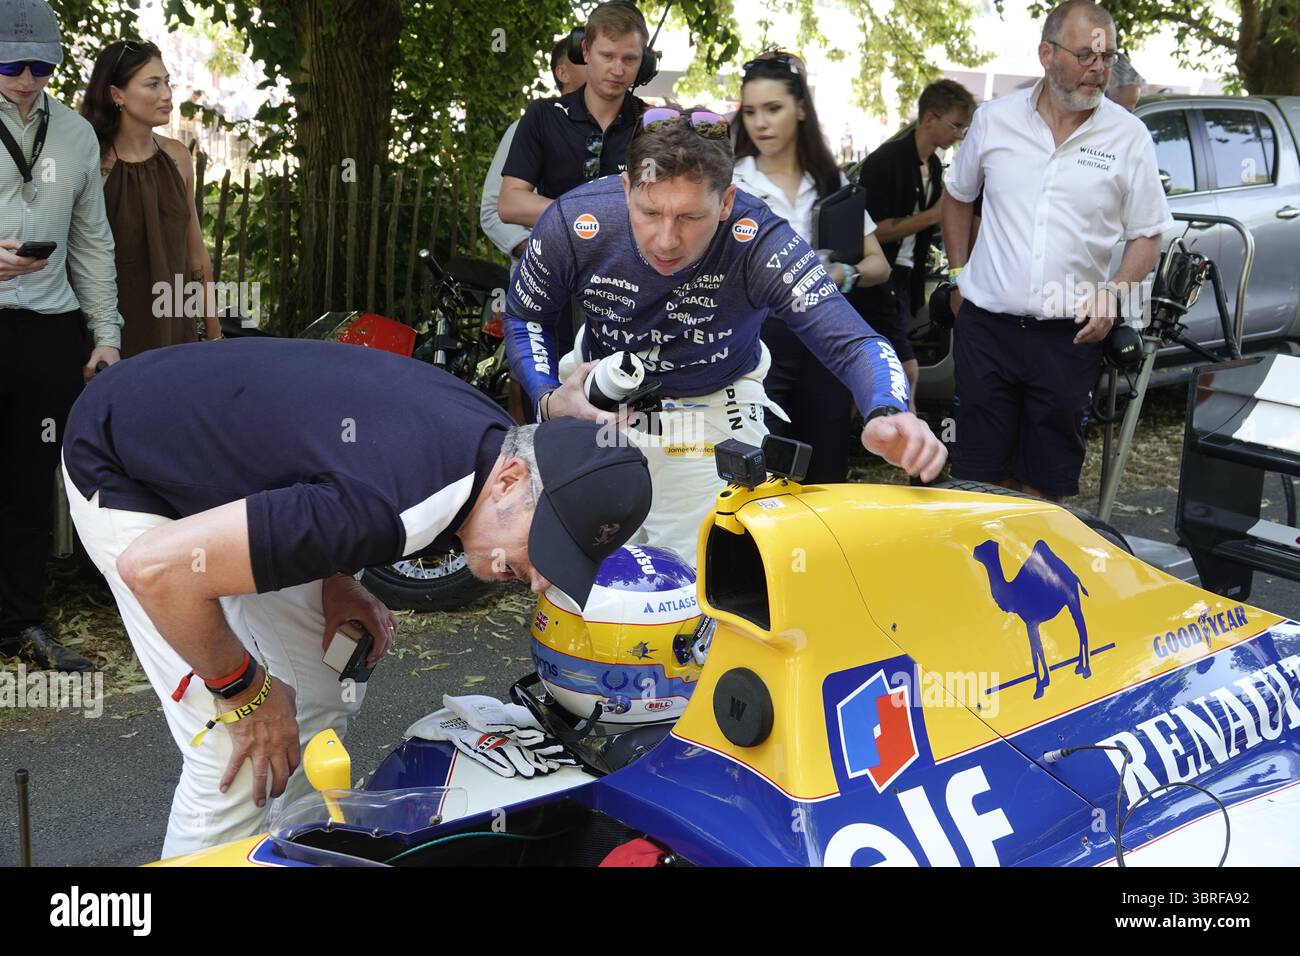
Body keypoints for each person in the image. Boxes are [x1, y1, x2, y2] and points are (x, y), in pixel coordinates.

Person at [62, 337, 651, 855]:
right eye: (543, 547)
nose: (540, 579)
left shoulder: (496, 444)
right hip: (126, 465)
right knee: (235, 755)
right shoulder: (393, 505)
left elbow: (321, 463)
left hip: (208, 444)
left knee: (318, 690)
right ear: (510, 481)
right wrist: (243, 692)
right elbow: (157, 571)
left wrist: (336, 575)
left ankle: (291, 848)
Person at [504, 109, 947, 564]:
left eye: (691, 216)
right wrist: (548, 397)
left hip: (710, 408)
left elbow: (853, 340)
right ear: (625, 189)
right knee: (582, 561)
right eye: (649, 211)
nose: (666, 239)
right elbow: (524, 315)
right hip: (597, 396)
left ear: (728, 201)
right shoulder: (576, 220)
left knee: (689, 570)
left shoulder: (759, 239)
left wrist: (887, 407)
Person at [941, 0, 1171, 502]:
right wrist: (957, 274)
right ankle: (980, 579)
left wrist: (1113, 294)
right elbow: (957, 196)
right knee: (978, 482)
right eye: (1087, 55)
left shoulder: (1128, 136)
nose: (1100, 68)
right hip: (987, 328)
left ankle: (1035, 579)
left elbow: (1148, 232)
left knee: (1045, 488)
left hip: (1069, 339)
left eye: (1108, 56)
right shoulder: (994, 120)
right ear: (1047, 54)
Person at [0, 0, 121, 673]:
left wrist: (107, 334)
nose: (25, 78)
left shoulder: (74, 134)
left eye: (40, 65)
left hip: (49, 328)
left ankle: (22, 623)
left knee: (28, 485)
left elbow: (93, 241)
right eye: (10, 64)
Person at [732, 51, 890, 483]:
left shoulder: (829, 182)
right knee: (759, 471)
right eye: (750, 112)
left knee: (825, 469)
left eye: (773, 108)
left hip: (825, 338)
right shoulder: (731, 181)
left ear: (800, 110)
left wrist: (842, 275)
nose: (760, 123)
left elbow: (879, 264)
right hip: (756, 343)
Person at [82, 39, 218, 357]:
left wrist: (213, 337)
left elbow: (196, 255)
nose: (167, 94)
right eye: (153, 84)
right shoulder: (91, 164)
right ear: (117, 95)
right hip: (110, 337)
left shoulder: (177, 158)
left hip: (175, 332)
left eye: (167, 82)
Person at [852, 79, 976, 408]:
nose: (959, 134)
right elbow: (872, 231)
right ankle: (907, 445)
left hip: (906, 278)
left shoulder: (934, 167)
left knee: (885, 365)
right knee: (905, 368)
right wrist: (937, 215)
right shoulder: (885, 161)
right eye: (956, 125)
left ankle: (878, 433)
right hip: (878, 278)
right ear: (929, 119)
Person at [498, 1, 650, 230]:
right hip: (561, 261)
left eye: (629, 59)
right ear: (585, 51)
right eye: (607, 56)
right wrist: (588, 213)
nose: (618, 70)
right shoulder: (543, 115)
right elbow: (510, 204)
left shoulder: (655, 124)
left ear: (645, 62)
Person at [480, 35, 587, 265]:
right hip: (540, 286)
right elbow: (491, 211)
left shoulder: (620, 130)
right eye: (581, 56)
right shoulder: (529, 126)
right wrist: (538, 254)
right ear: (563, 73)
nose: (592, 60)